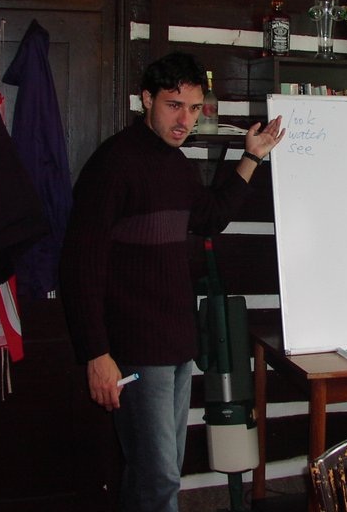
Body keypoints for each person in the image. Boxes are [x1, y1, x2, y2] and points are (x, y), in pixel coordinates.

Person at [59, 51, 285, 512]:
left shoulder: (177, 164)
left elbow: (210, 217)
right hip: (135, 349)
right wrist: (96, 353)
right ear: (147, 99)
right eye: (174, 105)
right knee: (158, 476)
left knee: (158, 472)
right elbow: (79, 264)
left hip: (177, 344)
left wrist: (251, 157)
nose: (185, 120)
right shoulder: (113, 164)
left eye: (194, 108)